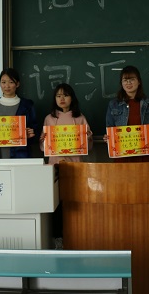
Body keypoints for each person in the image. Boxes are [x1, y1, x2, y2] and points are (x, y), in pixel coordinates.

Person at [39, 83, 93, 249]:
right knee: (56, 204)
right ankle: (58, 239)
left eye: (65, 95)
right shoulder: (49, 118)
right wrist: (42, 141)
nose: (62, 99)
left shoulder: (80, 117)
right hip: (55, 167)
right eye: (58, 96)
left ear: (72, 98)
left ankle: (77, 235)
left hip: (74, 166)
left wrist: (88, 138)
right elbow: (43, 148)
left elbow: (88, 147)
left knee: (74, 202)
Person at [0, 68, 37, 159]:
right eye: (3, 82)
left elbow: (35, 131)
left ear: (17, 84)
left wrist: (31, 133)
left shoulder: (27, 105)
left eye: (11, 82)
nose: (7, 86)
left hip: (20, 156)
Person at [105, 65, 149, 162]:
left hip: (144, 153)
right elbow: (110, 127)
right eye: (125, 80)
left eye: (132, 79)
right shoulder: (113, 104)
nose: (128, 83)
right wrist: (108, 137)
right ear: (121, 83)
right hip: (122, 153)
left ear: (139, 82)